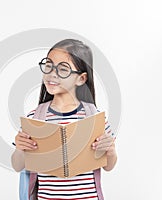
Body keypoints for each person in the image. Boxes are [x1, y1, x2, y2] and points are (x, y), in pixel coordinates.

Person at [11, 39, 117, 200]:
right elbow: (17, 165)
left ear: (81, 79)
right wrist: (20, 148)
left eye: (63, 69)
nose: (52, 74)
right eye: (49, 66)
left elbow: (108, 166)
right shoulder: (34, 118)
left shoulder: (95, 118)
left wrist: (111, 151)